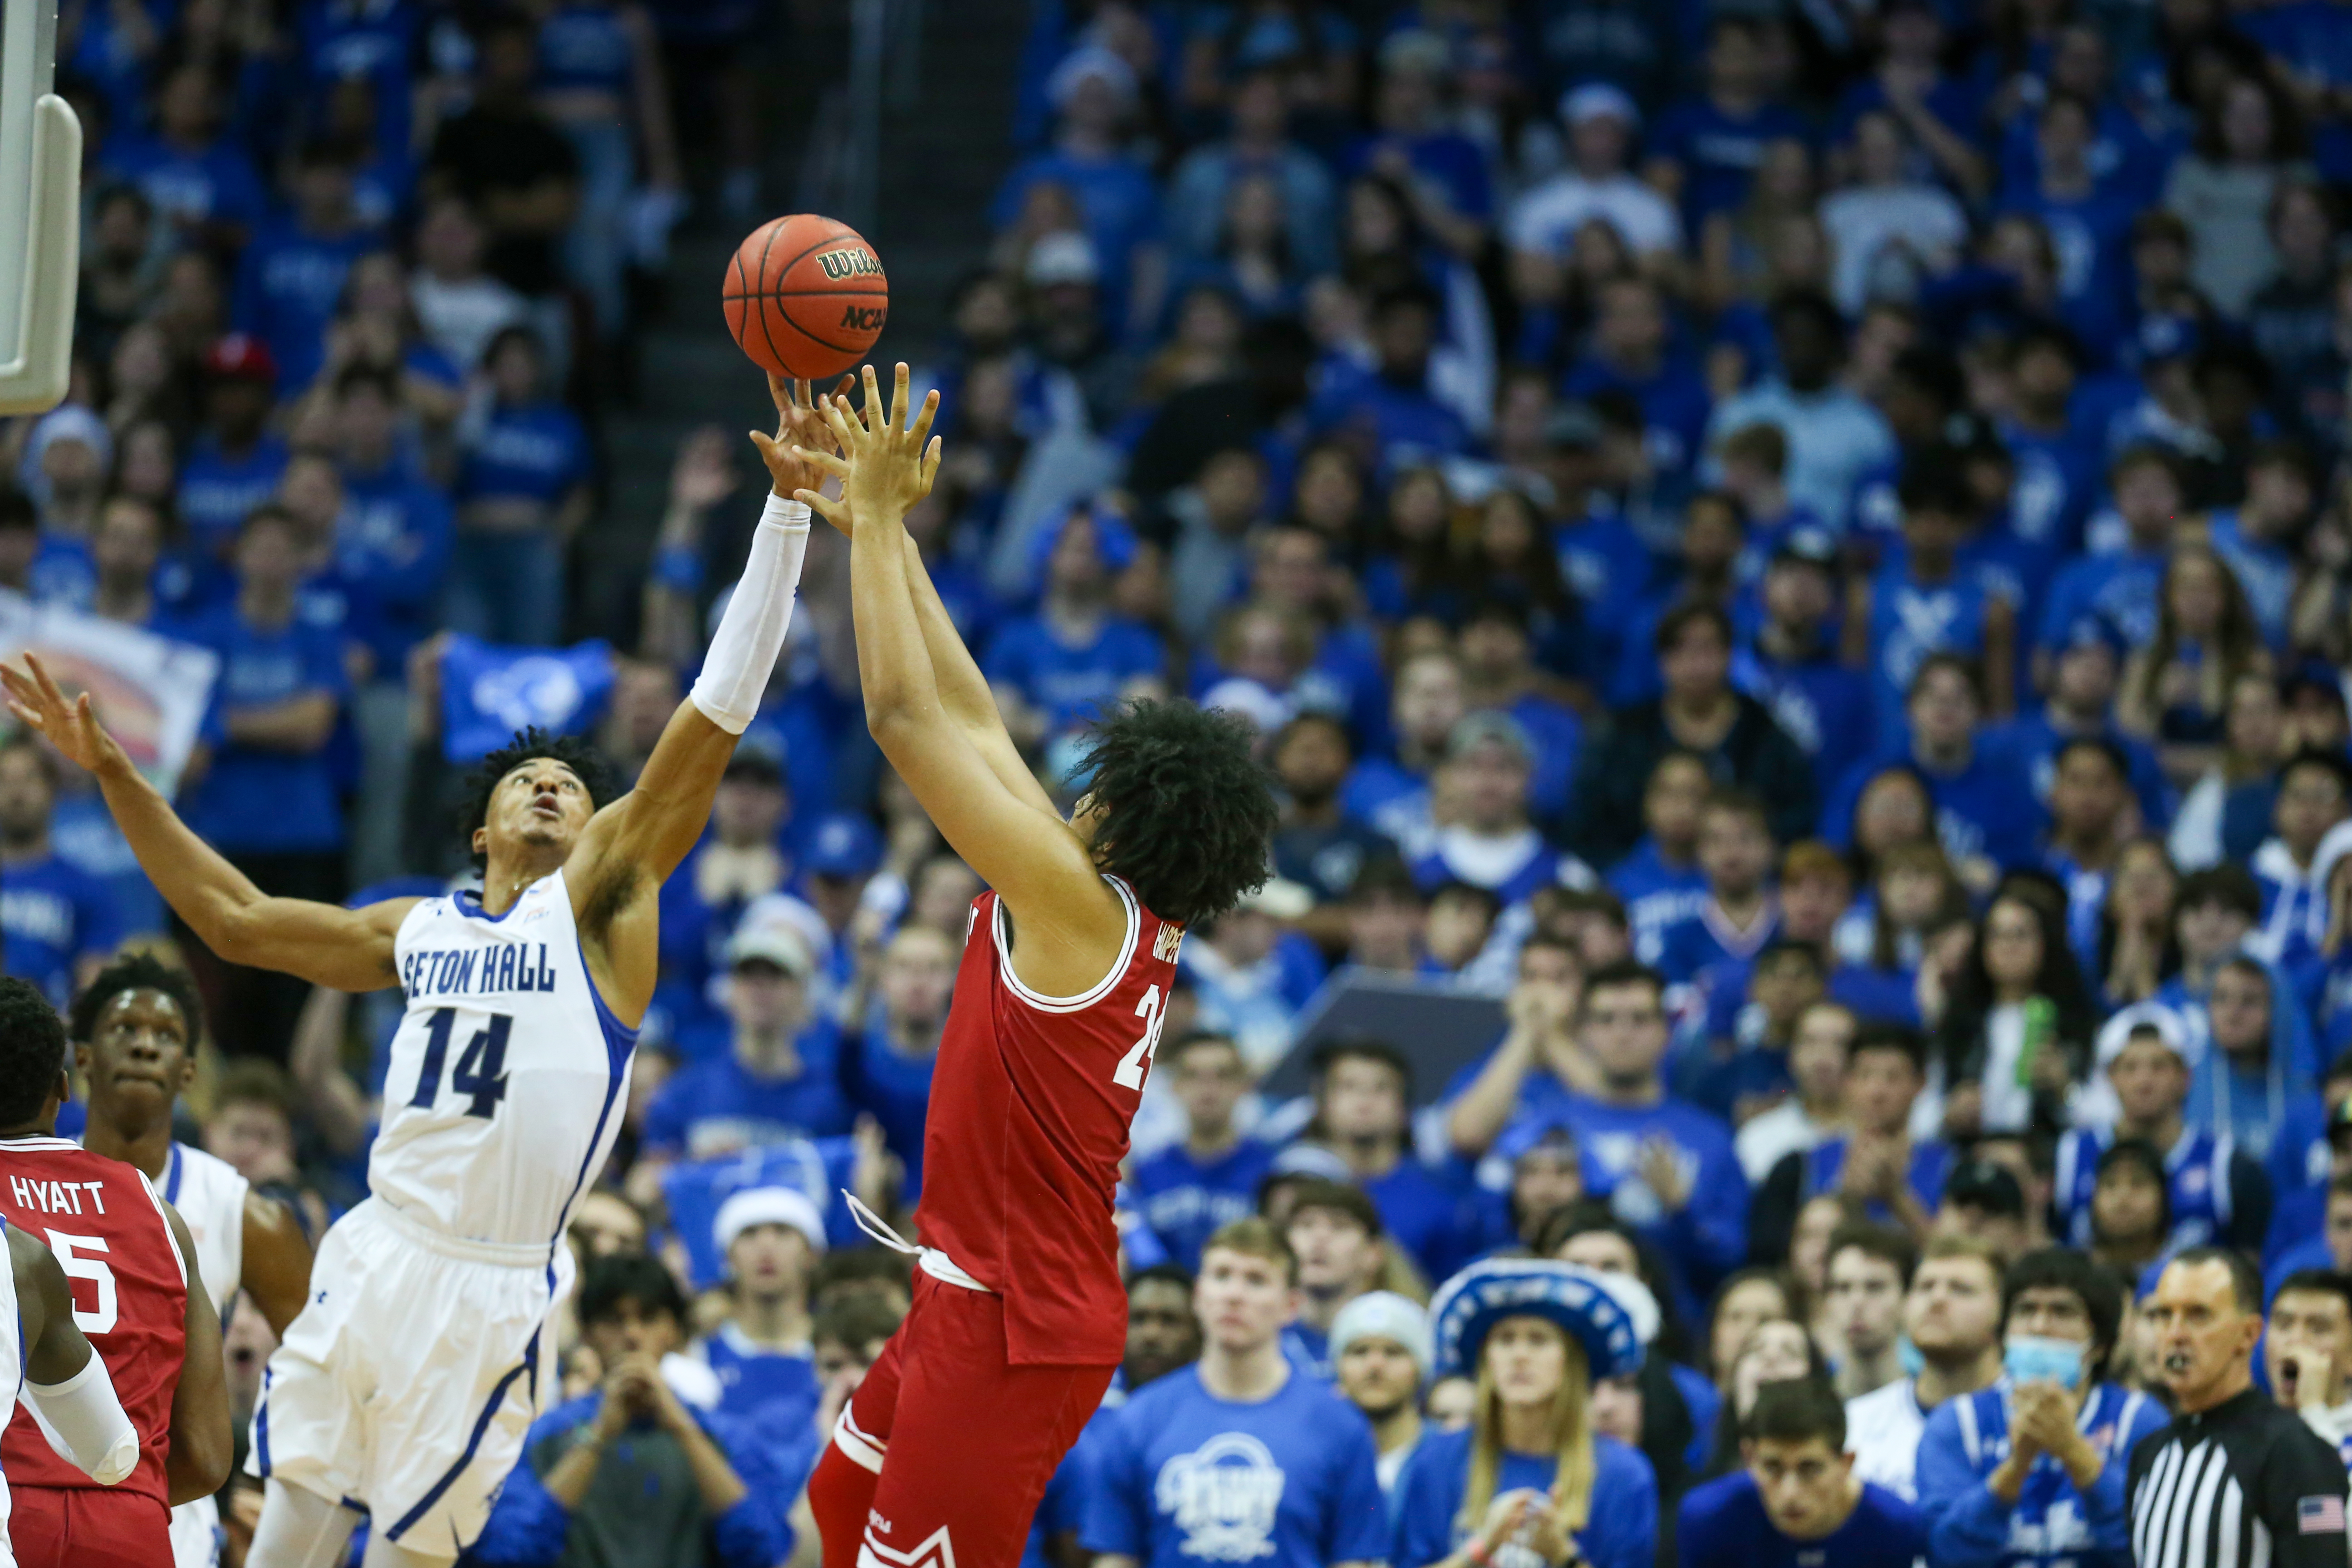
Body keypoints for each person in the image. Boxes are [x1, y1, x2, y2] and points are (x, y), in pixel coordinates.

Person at [0, 371, 840, 1567]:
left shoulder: (605, 911)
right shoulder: (417, 928)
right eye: (526, 782)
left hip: (493, 1283)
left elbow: (712, 717)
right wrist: (119, 775)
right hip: (379, 1244)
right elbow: (234, 917)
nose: (557, 785)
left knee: (409, 1555)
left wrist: (784, 517)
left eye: (578, 785)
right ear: (483, 832)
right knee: (290, 1513)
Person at [789, 367, 1279, 1568]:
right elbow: (972, 717)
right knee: (843, 1513)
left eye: (1099, 777)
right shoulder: (1092, 897)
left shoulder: (1071, 904)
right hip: (981, 1297)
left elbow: (906, 724)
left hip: (1015, 1326)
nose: (1074, 777)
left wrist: (891, 523)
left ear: (1121, 813)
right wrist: (877, 531)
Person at [66, 954, 317, 1568]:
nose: (147, 1047)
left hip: (167, 1507)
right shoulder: (24, 1185)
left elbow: (324, 1361)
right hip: (36, 1485)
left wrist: (260, 1478)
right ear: (85, 1057)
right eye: (126, 1030)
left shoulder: (242, 1212)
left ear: (188, 1071)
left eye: (166, 1036)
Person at [0, 976, 233, 1568]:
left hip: (12, 1508)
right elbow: (206, 1457)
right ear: (62, 1087)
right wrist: (127, 1492)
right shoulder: (160, 1212)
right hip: (130, 1520)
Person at [1082, 1219, 1387, 1568]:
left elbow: (1352, 1560)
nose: (1234, 1295)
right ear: (1198, 1296)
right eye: (1222, 1275)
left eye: (1256, 1280)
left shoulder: (1339, 1426)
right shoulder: (1138, 1419)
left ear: (1291, 1305)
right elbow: (1115, 1559)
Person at [464, 1254, 793, 1568]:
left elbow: (763, 1551)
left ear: (674, 1332)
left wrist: (682, 1426)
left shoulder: (727, 1437)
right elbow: (510, 1553)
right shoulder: (544, 1436)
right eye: (613, 1321)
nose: (633, 1335)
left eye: (648, 1318)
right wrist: (598, 1434)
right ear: (589, 1334)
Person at [1394, 1258, 1662, 1568]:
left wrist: (1563, 1555)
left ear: (1572, 1363)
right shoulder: (1435, 1461)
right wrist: (1482, 1549)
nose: (1519, 1356)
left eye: (1538, 1340)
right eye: (1505, 1340)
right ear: (1486, 1361)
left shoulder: (1624, 1474)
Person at [1912, 1246, 2169, 1567]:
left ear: (2099, 1345)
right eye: (2025, 1310)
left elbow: (2154, 1547)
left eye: (2062, 1312)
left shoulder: (2139, 1419)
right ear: (2003, 1336)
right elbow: (1946, 1552)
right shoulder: (1956, 1424)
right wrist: (2016, 1467)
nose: (2039, 1325)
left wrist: (2074, 1451)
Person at [2129, 1249, 2350, 1566]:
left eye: (2198, 1315)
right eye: (2164, 1315)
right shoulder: (2148, 1454)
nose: (2176, 1334)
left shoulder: (2294, 1450)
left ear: (2248, 1335)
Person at [2056, 1016, 2271, 1255]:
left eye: (2159, 1067)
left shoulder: (2228, 1165)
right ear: (2111, 1079)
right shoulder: (2070, 1156)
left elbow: (2250, 1264)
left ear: (2186, 1078)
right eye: (2130, 1068)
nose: (2144, 1081)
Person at [1676, 1378, 1926, 1568]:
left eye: (1810, 1469)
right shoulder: (1708, 1520)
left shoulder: (1895, 1528)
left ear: (1846, 1464)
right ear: (1749, 1459)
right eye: (1772, 1468)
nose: (1790, 1492)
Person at [1844, 1235, 2004, 1502]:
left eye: (1961, 1289)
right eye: (1925, 1287)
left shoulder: (2031, 1422)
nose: (1937, 1298)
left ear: (2003, 1312)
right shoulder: (1856, 1423)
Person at [1129, 1032, 1274, 1273]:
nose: (1208, 1088)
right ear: (1175, 1085)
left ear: (1244, 1085)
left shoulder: (1271, 1172)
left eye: (1223, 1075)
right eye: (1193, 1075)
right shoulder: (1144, 1174)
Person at [696, 1186, 824, 1435]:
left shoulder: (841, 1351)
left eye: (783, 1231)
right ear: (728, 1259)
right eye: (749, 1233)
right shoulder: (699, 1353)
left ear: (812, 1254)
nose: (766, 1247)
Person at [1281, 1179, 1389, 1377]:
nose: (1320, 1237)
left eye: (1340, 1227)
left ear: (1373, 1254)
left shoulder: (1393, 1343)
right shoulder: (1261, 1339)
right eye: (1306, 1225)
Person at [1333, 1290, 1431, 1497]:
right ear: (1338, 1367)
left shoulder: (1448, 1458)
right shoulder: (1319, 1458)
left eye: (1393, 1352)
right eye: (1360, 1351)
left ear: (1421, 1368)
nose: (1375, 1365)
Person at [2264, 1269, 2352, 1473]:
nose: (2296, 1340)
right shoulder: (2243, 1429)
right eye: (2284, 1325)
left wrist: (2312, 1409)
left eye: (2319, 1329)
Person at [1824, 1225, 1914, 1399]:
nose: (1856, 1302)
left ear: (1907, 1299)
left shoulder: (1935, 1390)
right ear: (1827, 1301)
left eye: (1875, 1287)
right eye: (1843, 1288)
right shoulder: (1812, 1386)